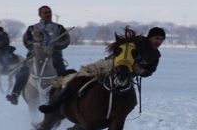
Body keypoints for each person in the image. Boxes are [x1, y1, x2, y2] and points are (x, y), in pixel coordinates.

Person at [38, 27, 166, 114]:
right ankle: (55, 104)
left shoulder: (156, 56)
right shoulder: (137, 42)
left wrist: (141, 71)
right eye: (156, 38)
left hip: (126, 76)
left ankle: (114, 125)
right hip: (109, 65)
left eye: (161, 39)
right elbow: (119, 46)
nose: (158, 42)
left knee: (131, 101)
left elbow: (150, 71)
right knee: (81, 76)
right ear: (150, 37)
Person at [6, 5, 70, 105]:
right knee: (22, 71)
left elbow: (65, 40)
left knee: (63, 72)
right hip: (34, 55)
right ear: (40, 15)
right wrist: (37, 47)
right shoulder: (31, 28)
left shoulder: (59, 28)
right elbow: (27, 41)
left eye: (49, 12)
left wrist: (54, 46)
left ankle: (67, 96)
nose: (48, 14)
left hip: (54, 56)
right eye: (45, 12)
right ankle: (15, 93)